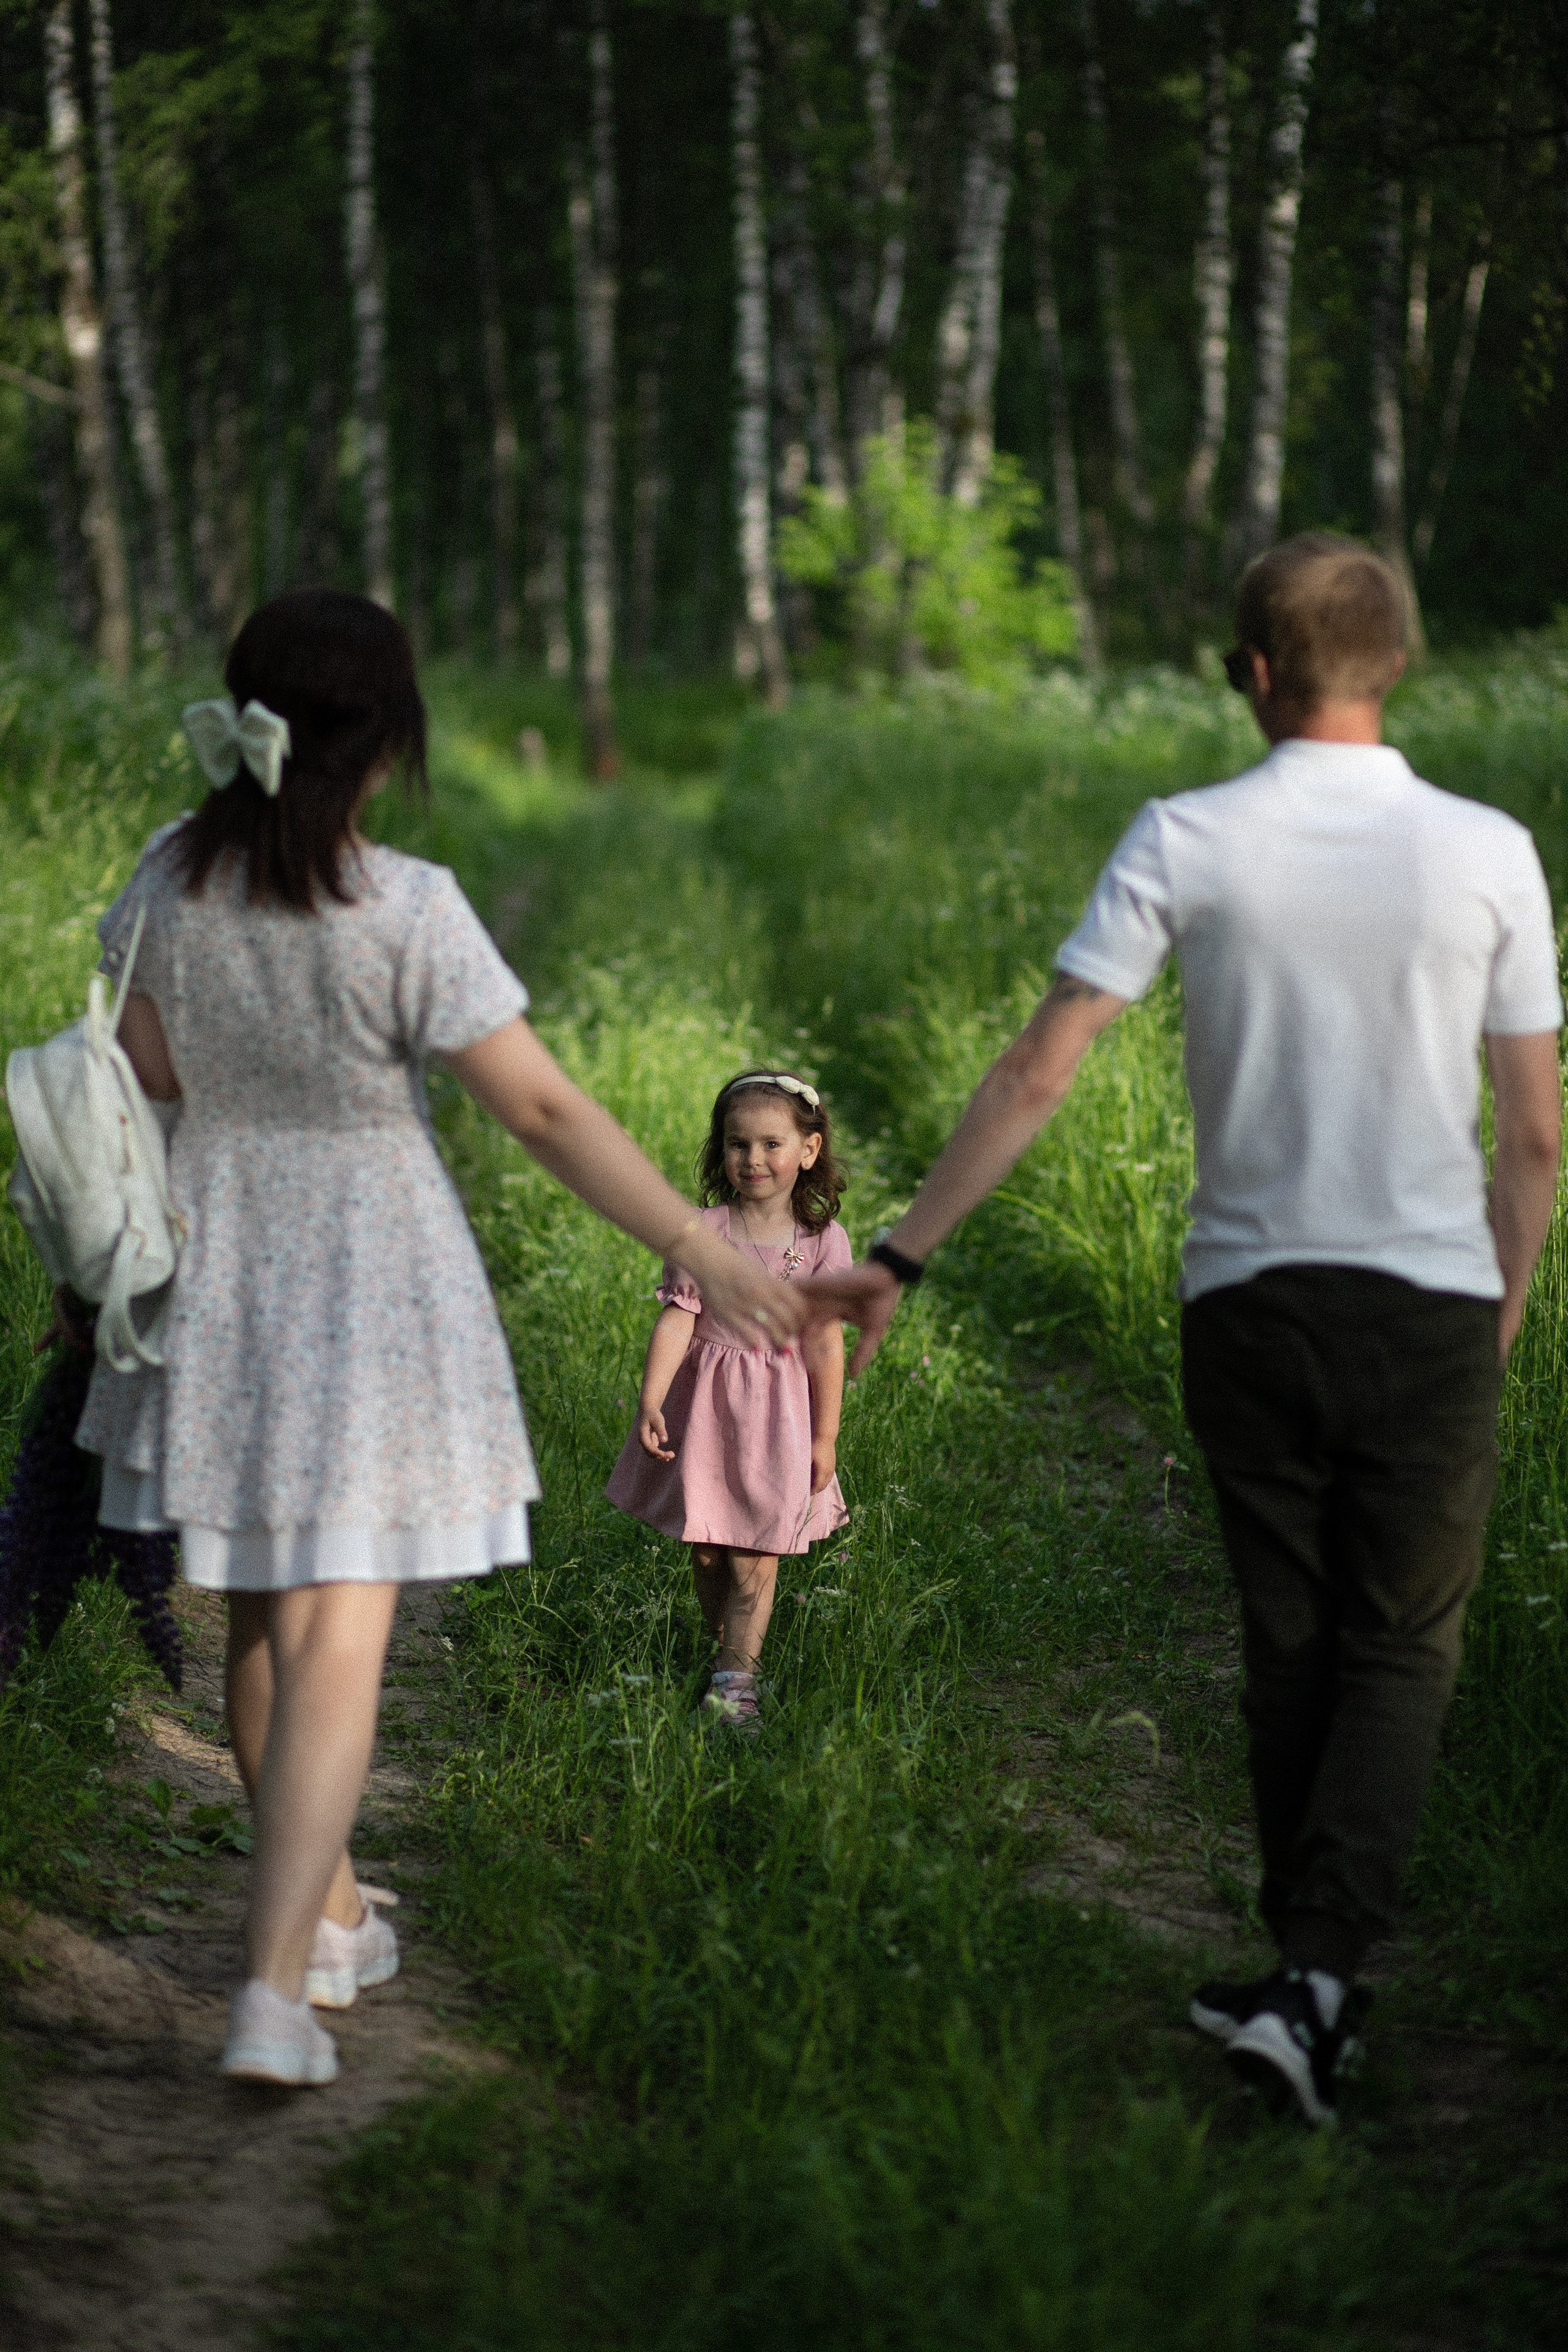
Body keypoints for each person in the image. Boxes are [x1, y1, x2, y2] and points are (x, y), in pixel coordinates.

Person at [808, 535, 1563, 2126]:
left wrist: (902, 1255)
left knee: (1293, 1636)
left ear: (1255, 671)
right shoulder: (1488, 848)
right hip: (1428, 1304)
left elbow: (1040, 1069)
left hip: (1250, 1303)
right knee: (1404, 1647)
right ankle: (1322, 1980)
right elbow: (1538, 1136)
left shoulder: (1189, 835)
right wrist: (1501, 1305)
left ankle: (1304, 1978)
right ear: (1402, 661)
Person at [75, 590, 803, 2089]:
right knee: (343, 1629)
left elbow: (141, 1073)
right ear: (388, 739)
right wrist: (695, 1247)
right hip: (369, 1278)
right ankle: (271, 1991)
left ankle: (328, 1912)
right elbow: (535, 1107)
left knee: (265, 1619)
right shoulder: (402, 905)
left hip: (212, 1272)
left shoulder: (165, 880)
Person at [606, 1071, 851, 1729]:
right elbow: (679, 1318)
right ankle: (724, 1653)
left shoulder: (823, 1242)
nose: (754, 1160)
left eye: (772, 1144)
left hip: (780, 1420)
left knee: (755, 1553)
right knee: (711, 1549)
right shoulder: (703, 1232)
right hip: (709, 1414)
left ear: (808, 1149)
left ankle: (736, 1684)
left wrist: (825, 1437)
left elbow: (825, 1346)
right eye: (738, 1144)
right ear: (722, 1152)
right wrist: (650, 1399)